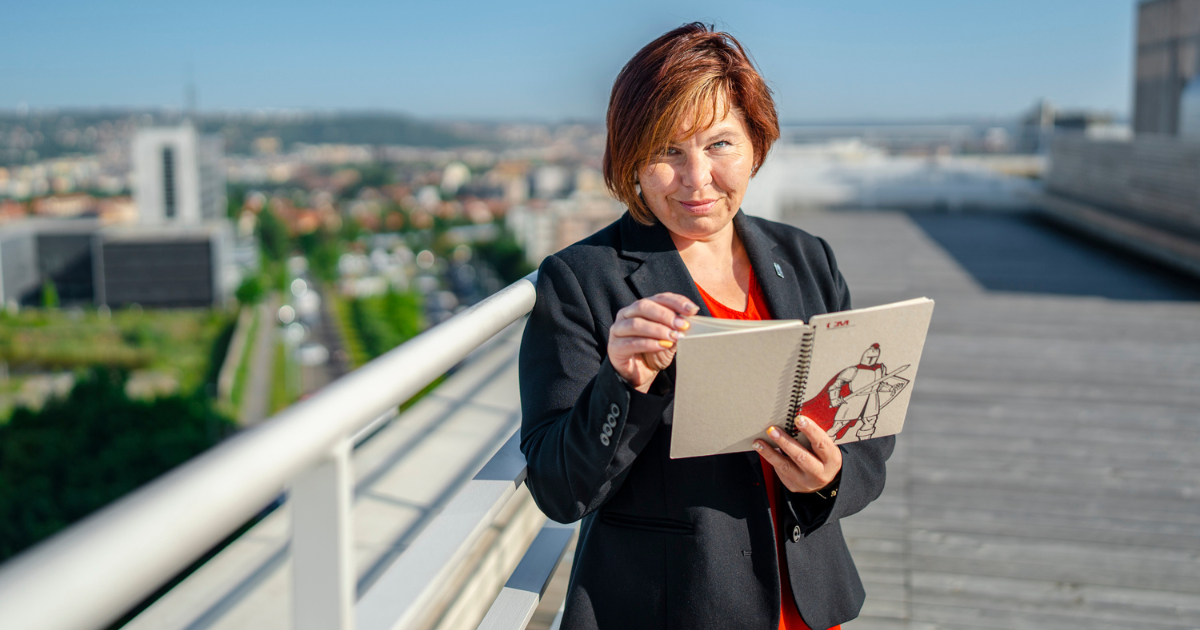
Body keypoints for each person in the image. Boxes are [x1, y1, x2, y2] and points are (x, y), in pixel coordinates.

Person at [518, 23, 893, 630]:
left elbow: (867, 435)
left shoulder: (805, 256)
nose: (697, 179)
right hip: (673, 607)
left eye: (720, 144)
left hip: (807, 608)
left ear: (756, 145)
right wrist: (621, 385)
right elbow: (559, 490)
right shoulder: (581, 279)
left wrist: (829, 480)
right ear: (630, 159)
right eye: (668, 151)